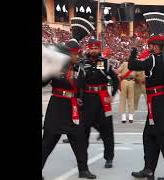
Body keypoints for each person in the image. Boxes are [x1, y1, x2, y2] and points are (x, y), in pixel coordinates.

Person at [42, 17, 97, 180]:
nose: (77, 56)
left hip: (73, 108)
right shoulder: (56, 65)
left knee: (79, 141)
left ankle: (83, 170)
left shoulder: (80, 69)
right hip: (56, 107)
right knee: (47, 143)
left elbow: (82, 88)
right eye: (75, 54)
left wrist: (81, 99)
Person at [129, 12, 164, 180]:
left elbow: (132, 64)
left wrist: (134, 49)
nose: (148, 48)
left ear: (155, 47)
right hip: (158, 103)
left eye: (150, 45)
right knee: (150, 136)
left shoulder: (154, 59)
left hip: (157, 104)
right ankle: (149, 169)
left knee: (162, 138)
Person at [80, 38, 119, 168]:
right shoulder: (82, 63)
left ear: (99, 49)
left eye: (96, 48)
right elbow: (78, 82)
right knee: (83, 131)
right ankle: (82, 158)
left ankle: (109, 158)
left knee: (107, 130)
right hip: (86, 99)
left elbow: (115, 79)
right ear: (88, 49)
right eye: (91, 48)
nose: (93, 50)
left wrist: (112, 94)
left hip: (102, 99)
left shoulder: (105, 63)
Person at [117, 58, 136, 123]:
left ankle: (123, 117)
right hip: (132, 82)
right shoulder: (134, 65)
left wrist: (119, 76)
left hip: (124, 81)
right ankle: (131, 117)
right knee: (131, 99)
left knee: (123, 99)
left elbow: (118, 71)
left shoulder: (124, 64)